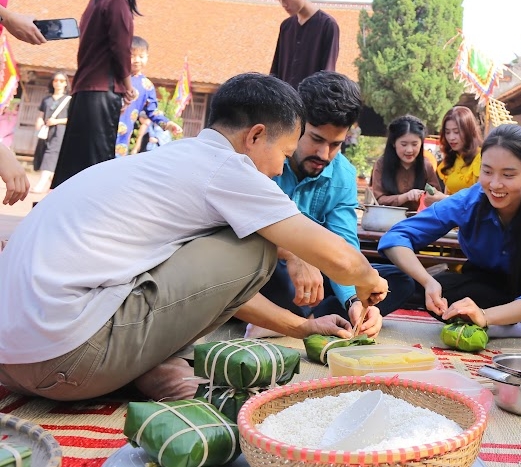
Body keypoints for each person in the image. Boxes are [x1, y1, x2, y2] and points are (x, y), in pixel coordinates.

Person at [0, 73, 389, 402]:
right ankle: (145, 367)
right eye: (283, 153)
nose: (278, 169)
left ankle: (151, 365)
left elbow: (204, 288)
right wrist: (370, 282)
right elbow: (340, 258)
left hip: (14, 356)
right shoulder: (229, 170)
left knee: (249, 243)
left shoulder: (174, 160)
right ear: (255, 136)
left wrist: (303, 328)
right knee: (258, 245)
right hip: (67, 361)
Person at [378, 124, 521, 344]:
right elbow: (396, 237)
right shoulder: (468, 200)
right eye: (487, 172)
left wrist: (485, 315)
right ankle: (517, 326)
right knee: (440, 290)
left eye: (508, 175)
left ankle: (510, 324)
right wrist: (428, 281)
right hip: (484, 287)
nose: (495, 184)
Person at [250, 71, 414, 339]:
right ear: (295, 125)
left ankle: (314, 316)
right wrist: (294, 254)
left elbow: (345, 243)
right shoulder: (264, 158)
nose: (324, 155)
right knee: (274, 275)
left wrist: (355, 301)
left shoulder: (343, 174)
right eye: (316, 139)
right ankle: (292, 317)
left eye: (336, 144)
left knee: (396, 281)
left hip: (319, 272)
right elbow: (241, 229)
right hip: (268, 264)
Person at [51, 0, 141, 188]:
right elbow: (121, 48)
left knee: (75, 160)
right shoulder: (118, 1)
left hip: (83, 91)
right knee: (96, 161)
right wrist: (128, 85)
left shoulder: (97, 0)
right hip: (102, 92)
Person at [268, 0, 340, 88]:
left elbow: (328, 74)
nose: (283, 4)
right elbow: (276, 71)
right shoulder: (286, 27)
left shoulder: (327, 25)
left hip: (311, 103)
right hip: (284, 103)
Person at [116, 35, 182, 157]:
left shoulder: (147, 86)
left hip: (123, 139)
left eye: (141, 56)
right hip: (103, 129)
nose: (137, 60)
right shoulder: (114, 77)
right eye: (132, 55)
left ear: (147, 57)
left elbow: (153, 111)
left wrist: (167, 123)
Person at [370, 115, 442, 213]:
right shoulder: (381, 164)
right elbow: (379, 199)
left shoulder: (426, 166)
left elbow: (436, 198)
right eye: (404, 144)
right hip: (385, 219)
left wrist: (429, 197)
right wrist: (406, 197)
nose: (409, 150)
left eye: (414, 144)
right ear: (393, 143)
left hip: (415, 220)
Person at [425, 106, 482, 206]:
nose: (451, 138)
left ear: (469, 131)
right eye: (447, 132)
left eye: (456, 132)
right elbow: (448, 194)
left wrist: (442, 198)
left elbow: (479, 198)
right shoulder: (450, 160)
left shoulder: (481, 158)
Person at [30, 71, 70, 193]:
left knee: (50, 155)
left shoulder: (69, 100)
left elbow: (73, 119)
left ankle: (40, 185)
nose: (58, 83)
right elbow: (41, 114)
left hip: (59, 131)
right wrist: (39, 121)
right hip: (46, 131)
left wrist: (57, 121)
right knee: (45, 155)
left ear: (65, 84)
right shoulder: (47, 99)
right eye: (56, 80)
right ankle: (57, 186)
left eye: (61, 81)